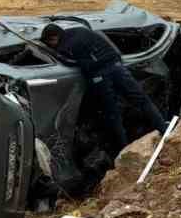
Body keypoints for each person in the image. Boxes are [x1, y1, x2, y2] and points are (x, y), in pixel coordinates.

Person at [41, 22, 169, 158]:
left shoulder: (65, 47)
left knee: (112, 112)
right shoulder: (80, 30)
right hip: (117, 66)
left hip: (100, 75)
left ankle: (124, 150)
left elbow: (70, 62)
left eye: (51, 43)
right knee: (141, 100)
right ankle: (163, 128)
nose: (52, 45)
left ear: (54, 37)